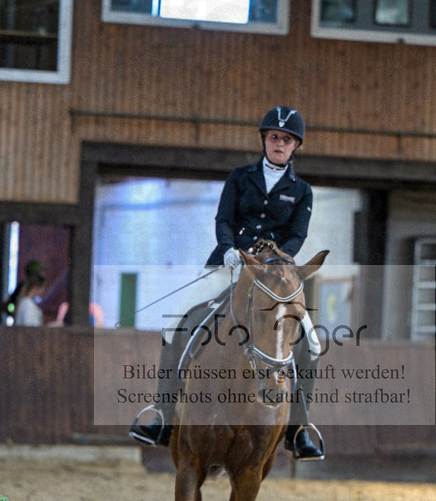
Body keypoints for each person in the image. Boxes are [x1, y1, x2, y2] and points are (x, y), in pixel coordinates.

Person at [129, 105, 325, 460]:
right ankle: (161, 412)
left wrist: (277, 260)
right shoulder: (239, 177)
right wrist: (230, 248)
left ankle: (299, 427)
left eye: (287, 140)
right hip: (230, 265)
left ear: (296, 145)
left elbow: (297, 235)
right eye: (274, 137)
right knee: (175, 319)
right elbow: (223, 219)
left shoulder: (302, 191)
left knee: (312, 343)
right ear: (265, 140)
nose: (279, 144)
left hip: (273, 275)